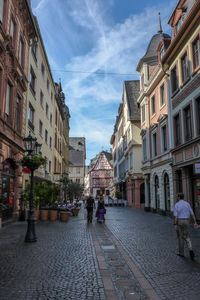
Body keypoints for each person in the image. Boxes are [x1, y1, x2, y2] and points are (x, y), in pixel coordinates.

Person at [173, 192, 199, 260]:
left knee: (180, 237)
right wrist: (195, 222)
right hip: (187, 221)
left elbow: (175, 216)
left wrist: (175, 224)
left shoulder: (177, 204)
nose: (176, 197)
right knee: (187, 236)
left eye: (177, 196)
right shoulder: (187, 204)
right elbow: (192, 213)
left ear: (179, 197)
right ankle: (191, 250)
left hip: (180, 221)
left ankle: (181, 253)